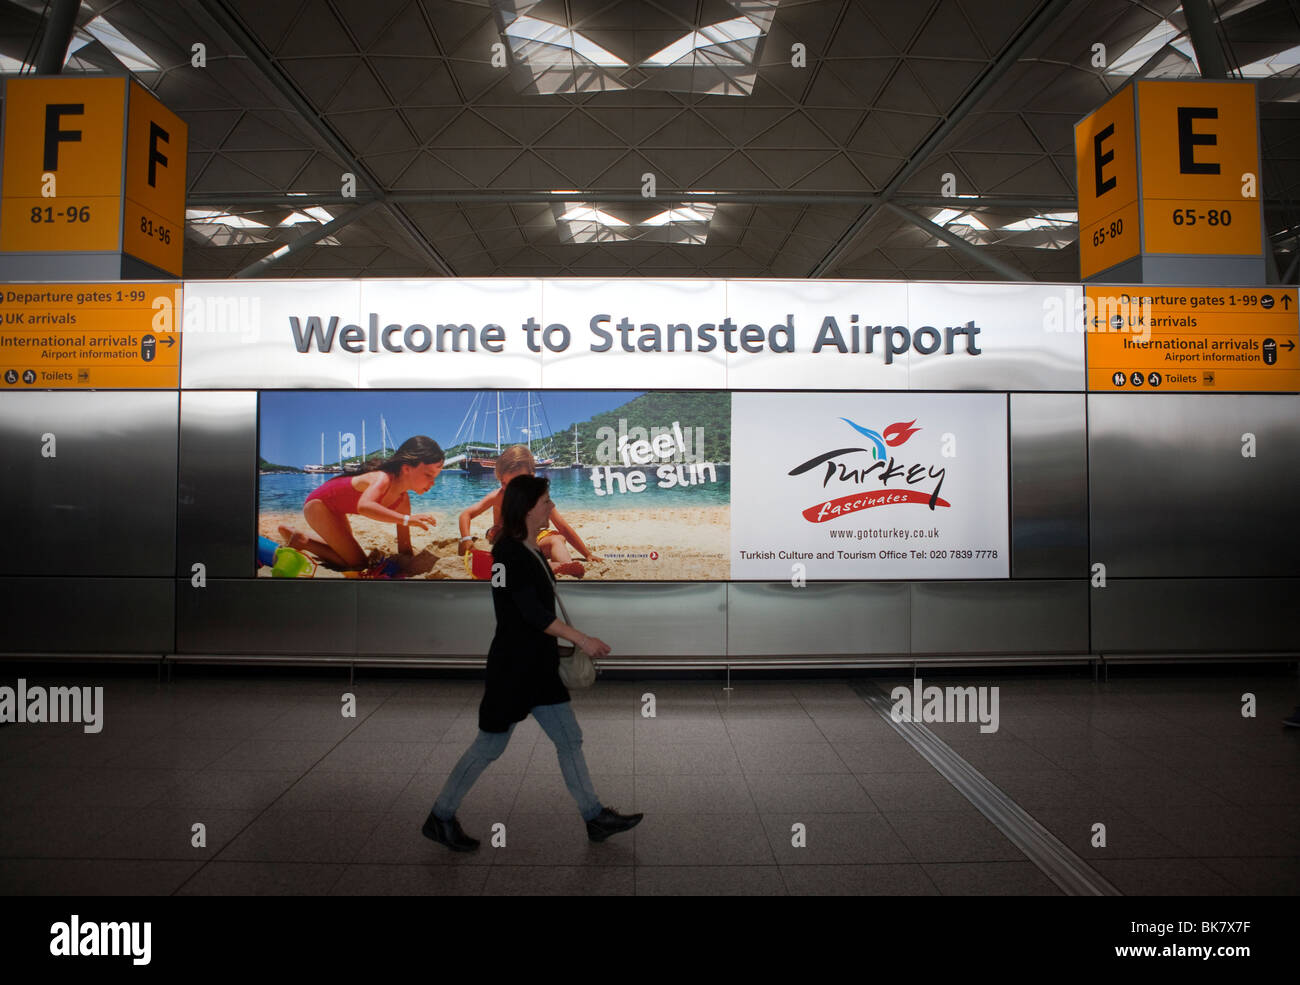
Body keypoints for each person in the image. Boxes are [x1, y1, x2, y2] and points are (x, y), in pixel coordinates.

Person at [424, 474, 642, 850]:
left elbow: (536, 610)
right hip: (512, 670)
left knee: (569, 739)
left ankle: (594, 818)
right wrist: (582, 640)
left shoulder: (529, 548)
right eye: (545, 501)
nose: (549, 507)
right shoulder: (508, 553)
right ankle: (440, 817)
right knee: (488, 747)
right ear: (527, 507)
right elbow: (532, 615)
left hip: (537, 667)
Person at [278, 435, 443, 571]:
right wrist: (407, 519)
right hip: (318, 505)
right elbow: (365, 506)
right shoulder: (382, 478)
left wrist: (410, 565)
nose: (432, 483)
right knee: (358, 564)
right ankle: (304, 543)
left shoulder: (403, 501)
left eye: (435, 477)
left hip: (335, 509)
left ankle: (300, 540)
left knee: (347, 555)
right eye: (428, 475)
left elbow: (404, 547)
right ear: (407, 468)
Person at [457, 444, 600, 577]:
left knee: (556, 540)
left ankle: (566, 566)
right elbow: (466, 515)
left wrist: (587, 554)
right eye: (504, 482)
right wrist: (466, 539)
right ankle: (553, 566)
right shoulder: (498, 496)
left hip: (538, 541)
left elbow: (562, 526)